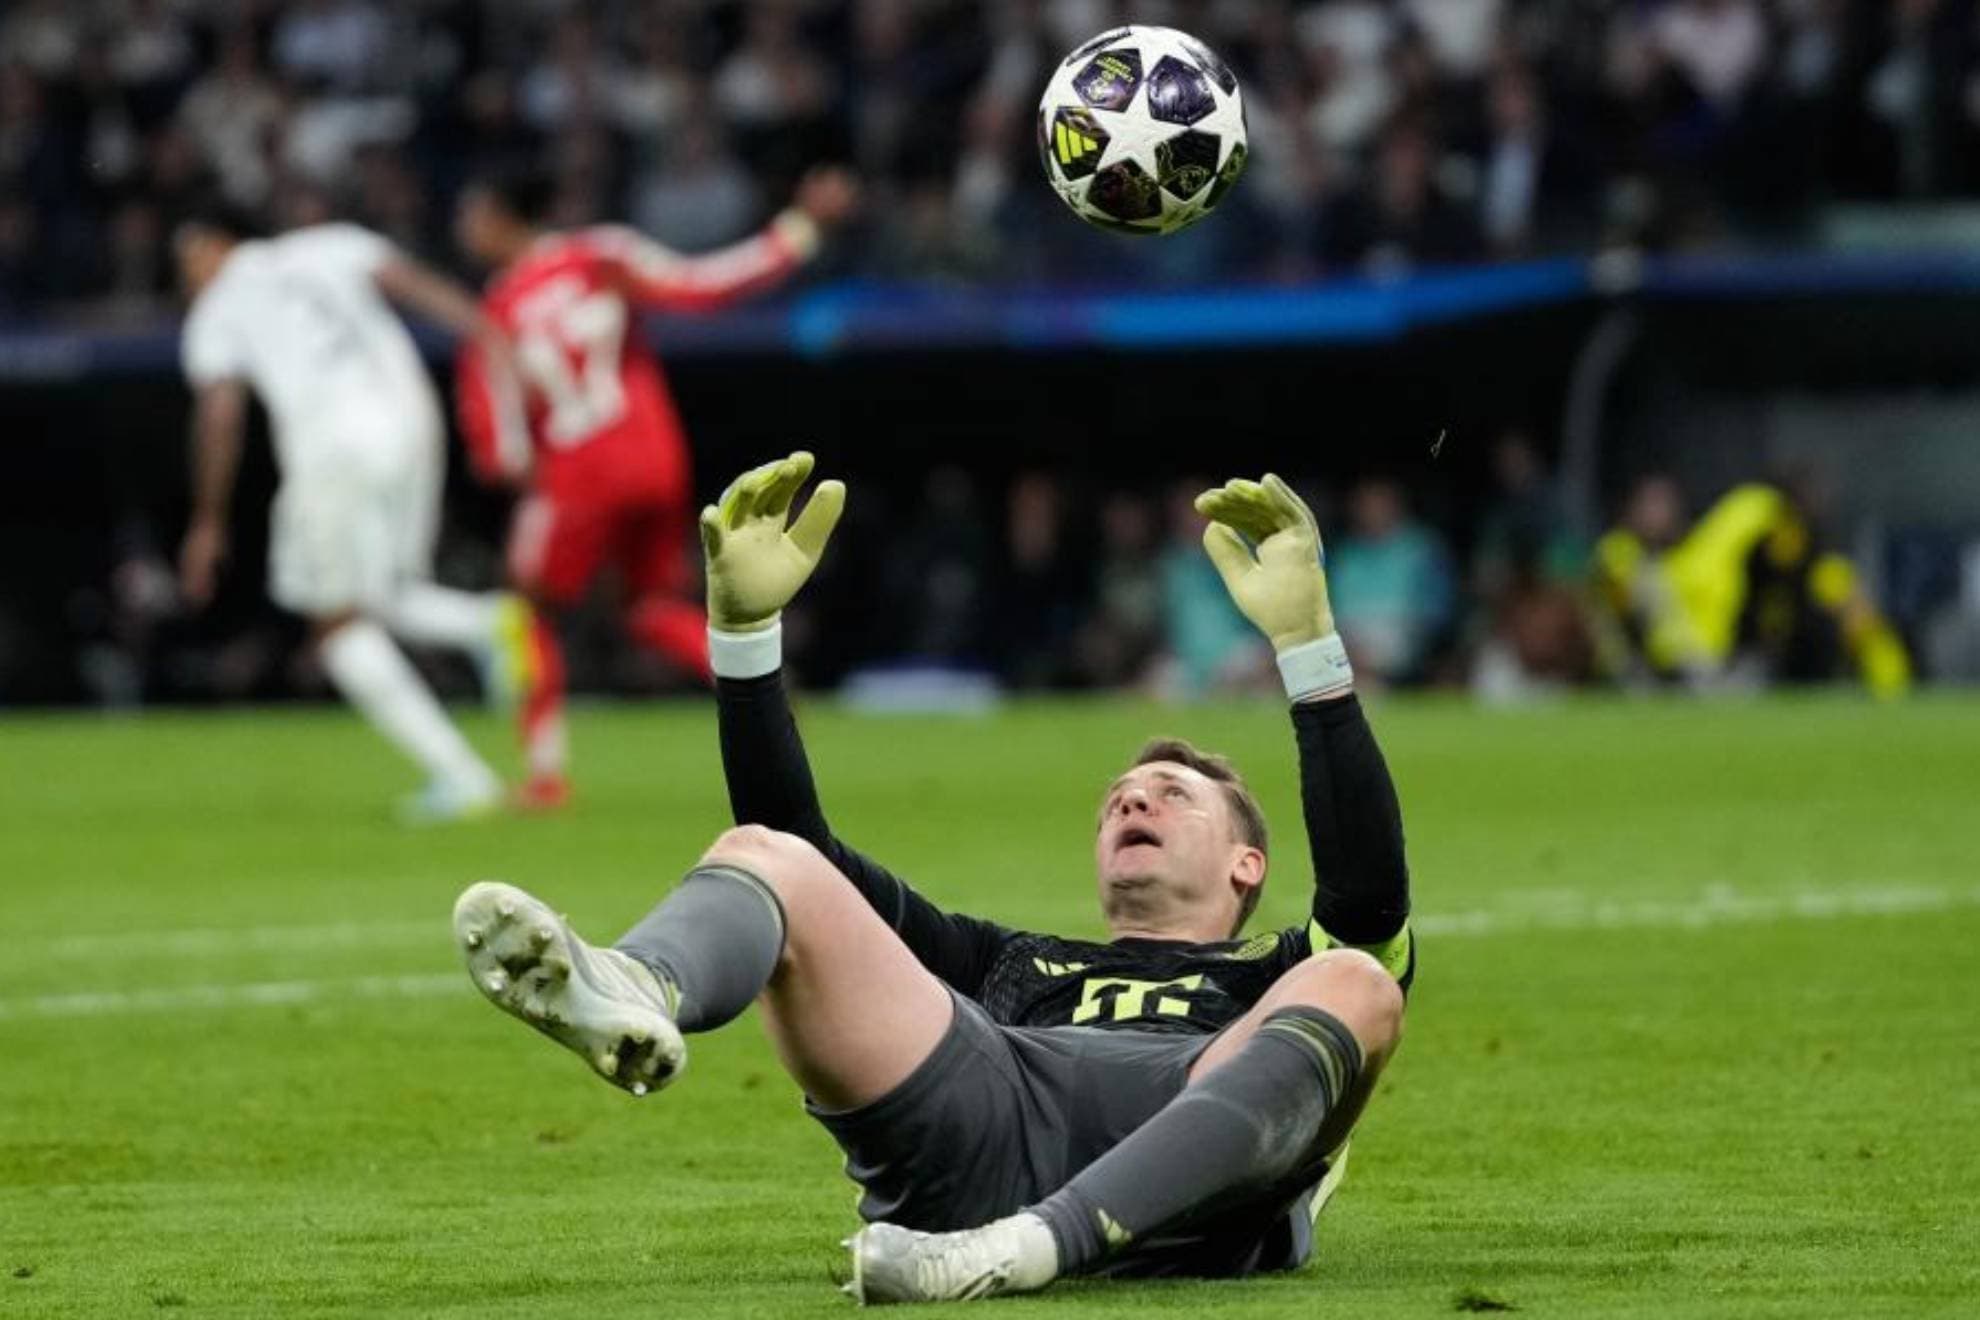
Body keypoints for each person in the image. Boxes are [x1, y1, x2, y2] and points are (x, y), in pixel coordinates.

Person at [451, 454, 1416, 1302]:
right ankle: (633, 984)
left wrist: (1308, 649)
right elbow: (801, 848)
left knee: (1358, 982)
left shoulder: (1273, 972)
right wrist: (744, 643)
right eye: (1120, 797)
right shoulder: (1007, 961)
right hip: (987, 1118)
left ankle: (1027, 1249)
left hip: (1193, 1162)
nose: (1134, 801)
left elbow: (1368, 902)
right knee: (769, 857)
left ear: (1249, 864)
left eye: (1173, 794)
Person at [452, 167, 859, 809]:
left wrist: (519, 474)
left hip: (575, 472)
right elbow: (704, 285)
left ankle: (544, 776)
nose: (465, 229)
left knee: (526, 614)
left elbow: (497, 449)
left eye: (474, 214)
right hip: (653, 457)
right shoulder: (600, 256)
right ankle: (765, 692)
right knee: (647, 604)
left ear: (505, 218)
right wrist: (798, 230)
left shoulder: (496, 313)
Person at [174, 201, 534, 822]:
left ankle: (465, 768)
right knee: (386, 592)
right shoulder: (331, 244)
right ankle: (493, 623)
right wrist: (486, 330)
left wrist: (208, 521)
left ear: (217, 244)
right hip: (412, 427)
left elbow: (220, 414)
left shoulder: (219, 306)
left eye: (187, 259)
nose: (187, 277)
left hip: (333, 448)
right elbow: (411, 284)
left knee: (335, 625)